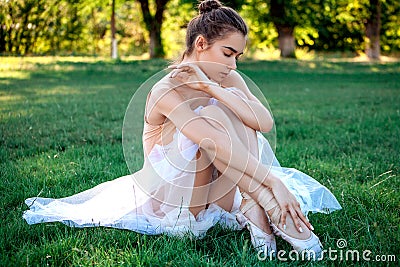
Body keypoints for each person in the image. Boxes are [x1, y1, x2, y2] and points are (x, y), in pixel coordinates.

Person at [23, 0, 341, 260]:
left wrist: (216, 90)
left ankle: (256, 208)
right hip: (175, 201)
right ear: (201, 44)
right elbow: (209, 139)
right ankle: (264, 203)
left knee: (226, 112)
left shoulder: (227, 78)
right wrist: (273, 182)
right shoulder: (165, 90)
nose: (233, 66)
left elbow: (263, 122)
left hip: (219, 189)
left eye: (238, 57)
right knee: (214, 122)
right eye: (227, 54)